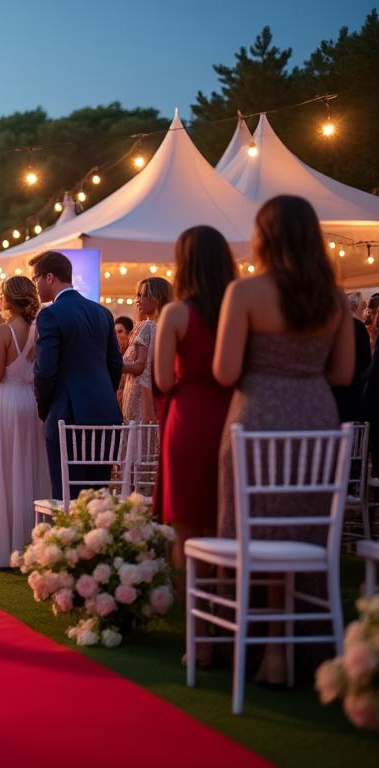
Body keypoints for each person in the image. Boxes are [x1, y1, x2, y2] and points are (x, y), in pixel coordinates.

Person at [213, 195, 353, 684]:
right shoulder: (333, 298)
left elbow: (225, 370)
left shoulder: (246, 293)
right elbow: (343, 373)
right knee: (300, 527)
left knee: (257, 525)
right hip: (316, 415)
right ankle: (288, 644)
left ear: (264, 237)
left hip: (257, 414)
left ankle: (260, 649)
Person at [152, 227, 236, 592]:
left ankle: (198, 626)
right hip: (231, 414)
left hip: (187, 417)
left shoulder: (176, 313)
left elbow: (164, 381)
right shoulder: (239, 310)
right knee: (224, 514)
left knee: (185, 519)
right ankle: (226, 602)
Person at [0, 276, 50, 568]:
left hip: (7, 402)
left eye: (2, 294)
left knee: (6, 469)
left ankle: (7, 548)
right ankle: (33, 544)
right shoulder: (39, 328)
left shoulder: (3, 330)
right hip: (31, 402)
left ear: (10, 298)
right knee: (29, 468)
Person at [32, 250, 124, 500]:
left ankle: (70, 539)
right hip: (105, 412)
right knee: (99, 495)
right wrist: (105, 392)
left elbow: (45, 370)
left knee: (68, 497)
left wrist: (45, 409)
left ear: (49, 277)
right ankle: (98, 539)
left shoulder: (50, 314)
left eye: (36, 279)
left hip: (66, 413)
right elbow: (115, 364)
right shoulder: (102, 312)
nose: (36, 286)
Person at [120, 277, 171, 423]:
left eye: (144, 295)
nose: (138, 300)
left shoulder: (146, 326)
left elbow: (138, 366)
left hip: (138, 396)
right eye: (137, 295)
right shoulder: (163, 326)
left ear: (157, 298)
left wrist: (110, 361)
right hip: (153, 395)